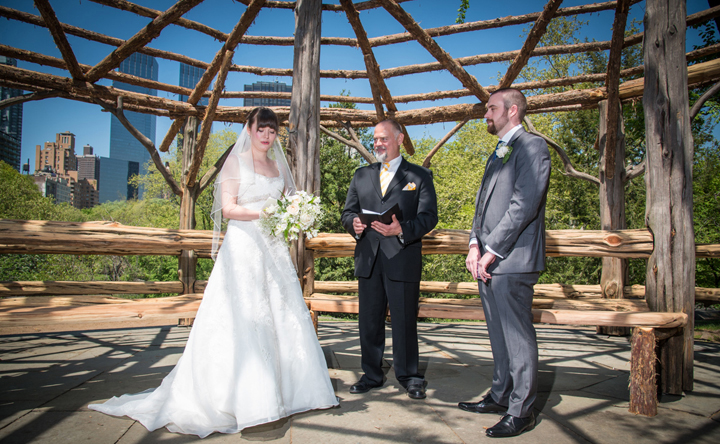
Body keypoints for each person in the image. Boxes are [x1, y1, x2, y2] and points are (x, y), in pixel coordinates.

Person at [89, 107, 338, 438]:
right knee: (246, 317)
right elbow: (229, 207)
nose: (267, 135)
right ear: (248, 130)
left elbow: (289, 200)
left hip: (273, 250)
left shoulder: (279, 165)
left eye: (272, 130)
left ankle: (295, 392)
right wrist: (264, 212)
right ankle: (247, 400)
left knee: (282, 315)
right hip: (244, 247)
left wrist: (296, 213)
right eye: (261, 129)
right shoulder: (236, 162)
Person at [457, 88, 551, 438]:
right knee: (497, 332)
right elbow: (482, 205)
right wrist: (473, 244)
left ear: (513, 111)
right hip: (487, 259)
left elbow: (524, 204)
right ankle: (499, 394)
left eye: (491, 108)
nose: (486, 114)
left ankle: (521, 410)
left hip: (514, 258)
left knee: (516, 334)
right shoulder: (497, 153)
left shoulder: (532, 146)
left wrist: (492, 248)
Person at [341, 119, 438, 400]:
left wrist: (402, 229)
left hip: (402, 257)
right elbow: (348, 213)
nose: (378, 144)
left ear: (399, 138)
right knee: (369, 320)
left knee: (404, 319)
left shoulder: (419, 176)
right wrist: (354, 225)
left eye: (383, 138)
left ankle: (410, 376)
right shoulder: (361, 175)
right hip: (369, 258)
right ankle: (371, 374)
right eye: (375, 139)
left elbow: (429, 216)